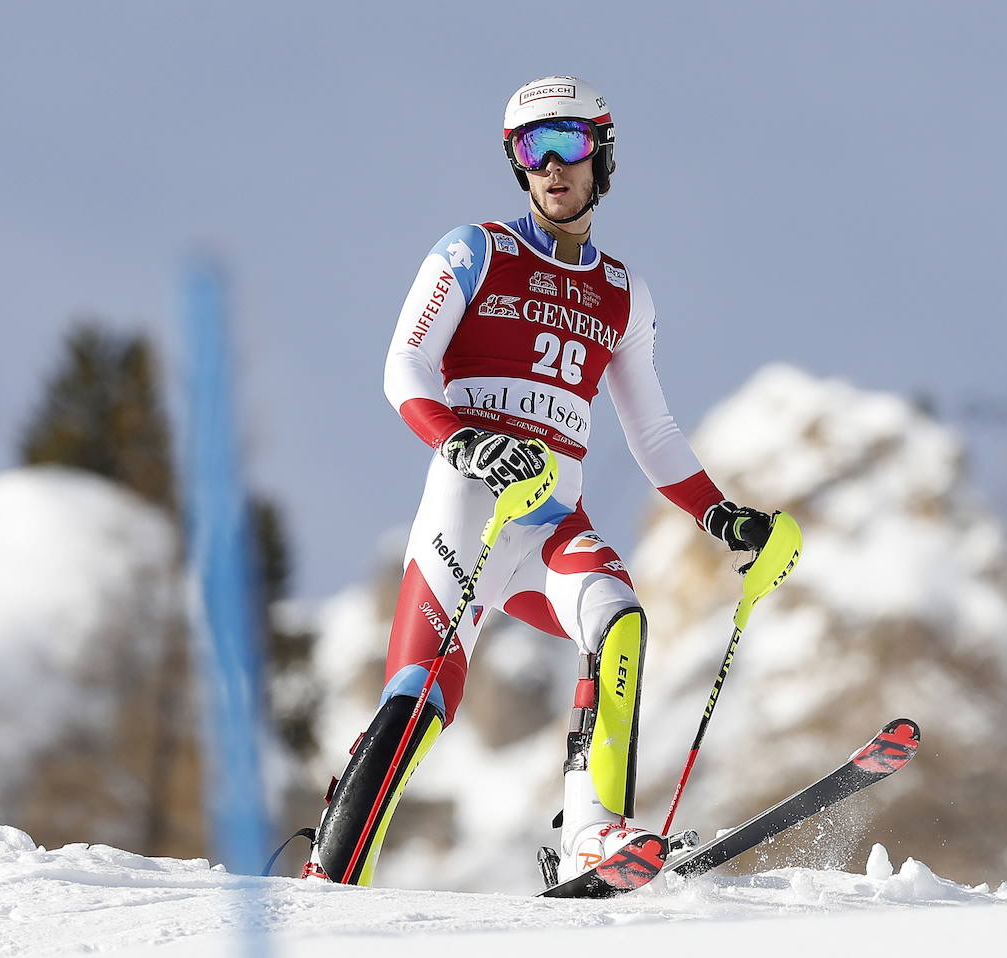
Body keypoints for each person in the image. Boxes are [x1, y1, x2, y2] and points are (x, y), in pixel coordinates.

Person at [303, 75, 774, 888]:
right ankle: (331, 876)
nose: (552, 167)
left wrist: (722, 516)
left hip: (552, 520)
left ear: (603, 156)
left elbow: (652, 431)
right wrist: (465, 443)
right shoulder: (473, 250)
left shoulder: (622, 294)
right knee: (420, 699)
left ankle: (594, 835)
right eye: (531, 149)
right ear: (516, 164)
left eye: (571, 146)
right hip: (471, 509)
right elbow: (404, 366)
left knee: (619, 617)